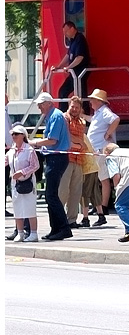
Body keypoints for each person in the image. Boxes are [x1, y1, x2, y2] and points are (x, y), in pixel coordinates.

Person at [29, 92, 72, 240]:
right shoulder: (52, 116)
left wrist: (33, 143)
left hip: (57, 158)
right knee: (50, 195)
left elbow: (52, 140)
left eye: (41, 104)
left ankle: (64, 228)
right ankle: (55, 229)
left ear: (49, 103)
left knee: (51, 195)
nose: (39, 106)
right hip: (54, 158)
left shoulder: (56, 116)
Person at [85, 88, 119, 222]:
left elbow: (115, 119)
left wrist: (107, 133)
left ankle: (103, 206)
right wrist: (83, 116)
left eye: (93, 99)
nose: (91, 102)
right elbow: (93, 121)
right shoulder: (99, 112)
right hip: (97, 149)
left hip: (100, 150)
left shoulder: (104, 111)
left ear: (98, 101)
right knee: (101, 179)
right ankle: (101, 205)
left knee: (102, 179)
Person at [5, 125, 40, 242]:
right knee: (17, 208)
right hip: (15, 184)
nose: (13, 136)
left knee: (30, 208)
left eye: (16, 134)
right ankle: (20, 233)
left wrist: (22, 172)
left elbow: (35, 166)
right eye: (12, 134)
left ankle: (33, 233)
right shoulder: (11, 151)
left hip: (28, 182)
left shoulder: (29, 150)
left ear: (23, 136)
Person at [61, 96, 87, 228]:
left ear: (80, 108)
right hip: (67, 158)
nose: (75, 109)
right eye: (73, 107)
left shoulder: (82, 122)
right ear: (68, 106)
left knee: (76, 192)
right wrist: (81, 142)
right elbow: (66, 135)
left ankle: (71, 220)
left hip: (79, 159)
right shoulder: (65, 119)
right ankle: (60, 219)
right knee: (63, 191)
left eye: (77, 107)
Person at [54, 21, 91, 104]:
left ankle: (85, 112)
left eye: (66, 31)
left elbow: (79, 57)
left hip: (80, 72)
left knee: (81, 94)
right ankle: (63, 113)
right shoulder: (72, 41)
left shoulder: (80, 39)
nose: (65, 34)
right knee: (63, 92)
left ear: (72, 29)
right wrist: (59, 66)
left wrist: (69, 67)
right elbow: (68, 56)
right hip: (74, 73)